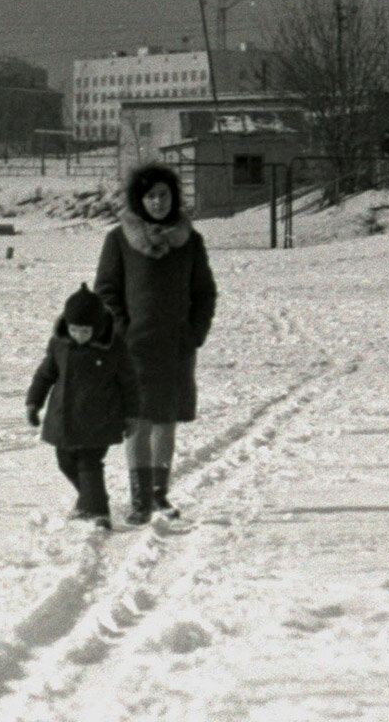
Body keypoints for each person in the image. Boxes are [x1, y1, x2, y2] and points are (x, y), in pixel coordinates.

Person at [94, 163, 217, 525]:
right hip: (134, 349)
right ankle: (139, 501)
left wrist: (194, 333)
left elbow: (204, 293)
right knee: (138, 423)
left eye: (164, 195)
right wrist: (123, 332)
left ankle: (159, 495)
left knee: (166, 421)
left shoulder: (190, 241)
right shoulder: (118, 239)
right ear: (139, 199)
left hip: (176, 348)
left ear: (173, 197)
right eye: (150, 196)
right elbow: (106, 293)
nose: (158, 202)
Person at [26, 283, 139, 530]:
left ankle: (99, 513)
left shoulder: (113, 348)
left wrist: (132, 415)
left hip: (100, 418)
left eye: (85, 330)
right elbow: (45, 375)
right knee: (65, 462)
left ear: (97, 327)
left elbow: (130, 383)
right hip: (63, 418)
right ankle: (89, 499)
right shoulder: (59, 344)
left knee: (89, 463)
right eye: (74, 329)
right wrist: (34, 403)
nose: (78, 335)